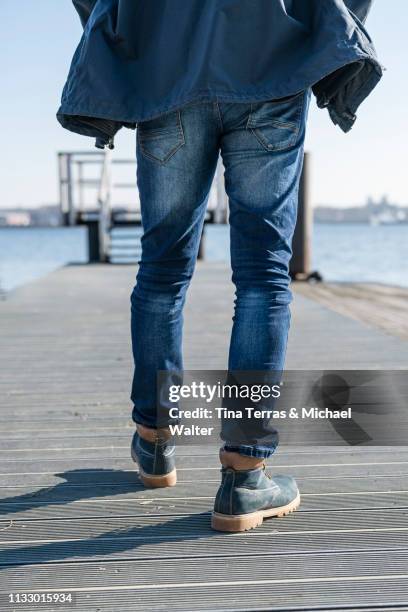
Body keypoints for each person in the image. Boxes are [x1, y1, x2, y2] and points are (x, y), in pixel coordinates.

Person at [58, 0, 382, 532]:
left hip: (167, 77)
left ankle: (155, 440)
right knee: (263, 279)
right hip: (272, 65)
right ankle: (244, 473)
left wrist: (136, 31)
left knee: (161, 272)